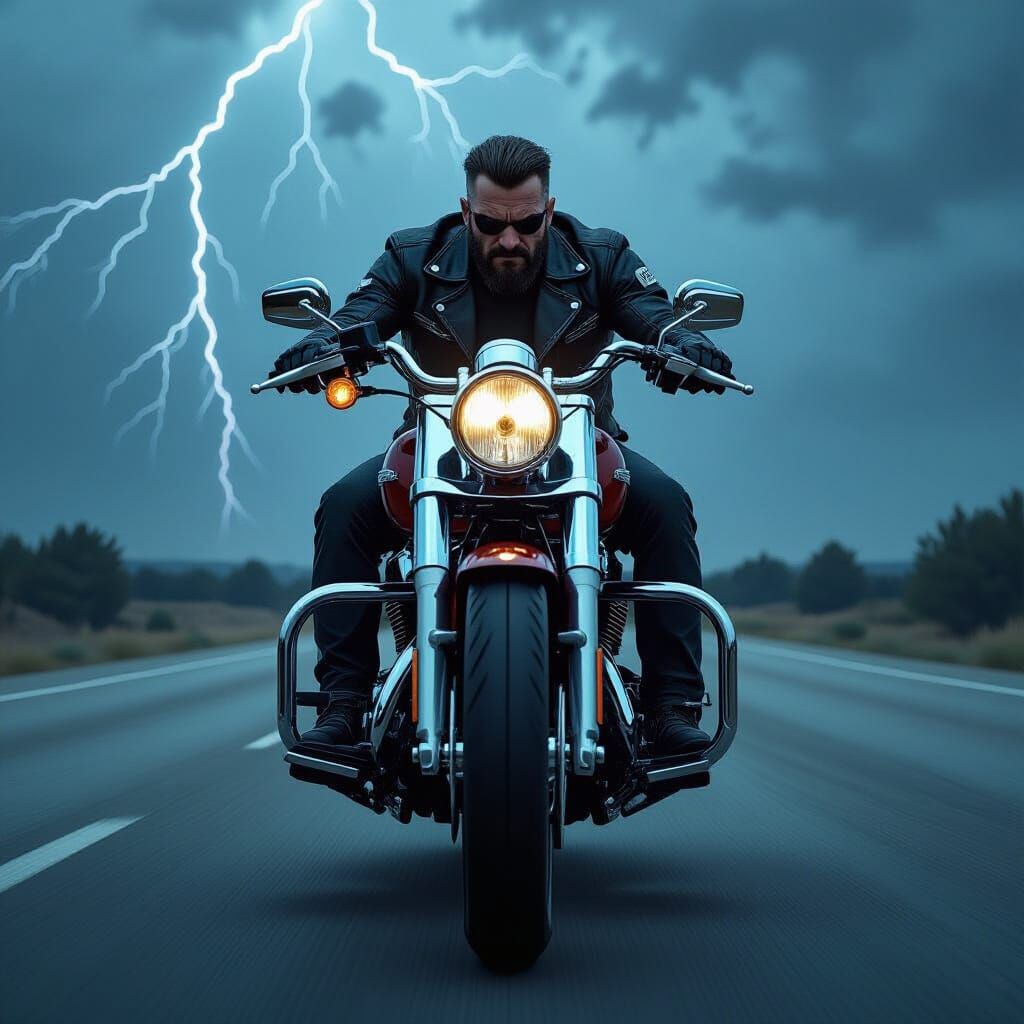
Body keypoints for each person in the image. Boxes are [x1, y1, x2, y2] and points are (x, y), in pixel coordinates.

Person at [269, 135, 734, 757]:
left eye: (526, 223)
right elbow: (367, 309)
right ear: (467, 212)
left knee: (665, 504)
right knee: (345, 505)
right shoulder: (414, 256)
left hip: (577, 448)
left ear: (550, 208)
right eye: (490, 224)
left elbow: (645, 308)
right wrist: (330, 344)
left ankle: (670, 705)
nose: (508, 240)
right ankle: (344, 702)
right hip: (438, 447)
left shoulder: (601, 255)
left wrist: (678, 340)